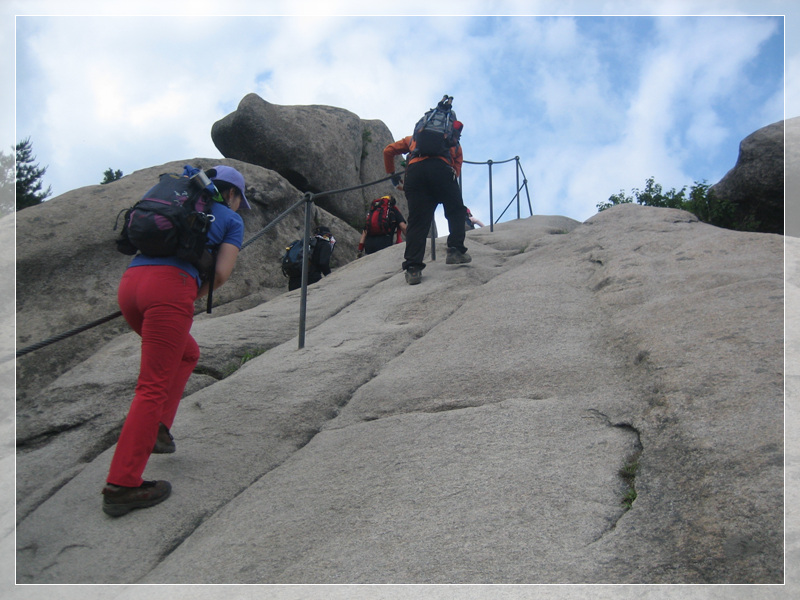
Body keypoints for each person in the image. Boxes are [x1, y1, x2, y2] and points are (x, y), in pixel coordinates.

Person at [102, 165, 250, 517]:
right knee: (151, 385)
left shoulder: (180, 201)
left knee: (188, 353)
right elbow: (222, 273)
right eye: (238, 199)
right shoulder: (231, 219)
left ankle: (157, 429)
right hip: (168, 291)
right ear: (231, 194)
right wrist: (188, 296)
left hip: (131, 286)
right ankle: (122, 484)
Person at [383, 95, 471, 285]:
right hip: (441, 171)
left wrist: (392, 174)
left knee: (417, 222)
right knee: (456, 210)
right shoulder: (454, 144)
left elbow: (388, 150)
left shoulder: (413, 140)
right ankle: (455, 251)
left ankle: (413, 269)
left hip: (415, 174)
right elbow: (455, 171)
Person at [287, 225, 335, 291]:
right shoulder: (324, 244)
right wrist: (329, 276)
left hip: (294, 280)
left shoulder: (307, 243)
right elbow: (323, 263)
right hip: (311, 278)